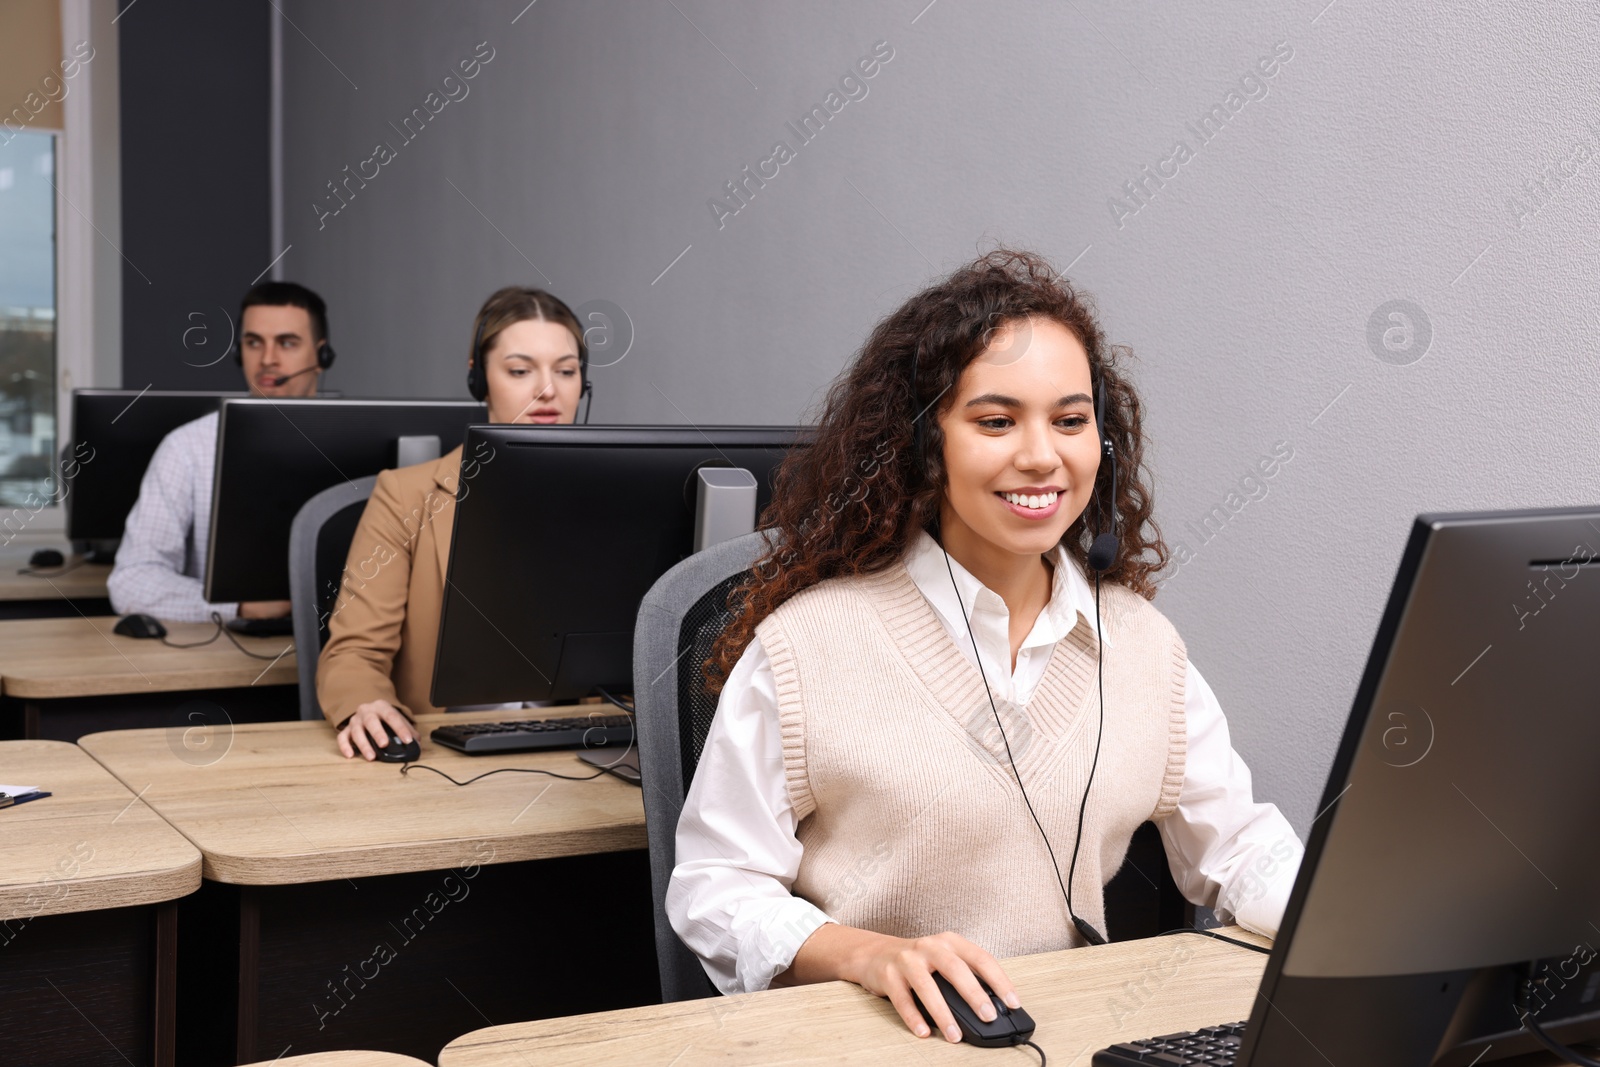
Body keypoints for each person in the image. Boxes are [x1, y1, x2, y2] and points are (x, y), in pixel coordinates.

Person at [667, 250, 1304, 1043]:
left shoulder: (1142, 644)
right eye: (996, 421)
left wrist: (1360, 919)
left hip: (1058, 1038)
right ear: (924, 444)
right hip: (871, 1041)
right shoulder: (807, 646)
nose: (1042, 454)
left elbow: (1243, 849)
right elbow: (715, 885)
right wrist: (867, 955)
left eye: (1070, 420)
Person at [317, 286, 587, 759]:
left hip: (573, 747)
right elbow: (353, 653)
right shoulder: (405, 496)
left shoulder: (605, 498)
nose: (549, 390)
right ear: (478, 380)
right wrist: (366, 704)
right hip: (447, 754)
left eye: (566, 371)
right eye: (520, 371)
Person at [107, 281, 334, 622]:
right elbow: (131, 579)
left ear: (321, 355)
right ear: (238, 352)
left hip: (353, 642)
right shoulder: (187, 447)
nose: (268, 360)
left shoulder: (370, 438)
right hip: (234, 648)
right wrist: (238, 607)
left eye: (287, 343)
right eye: (254, 343)